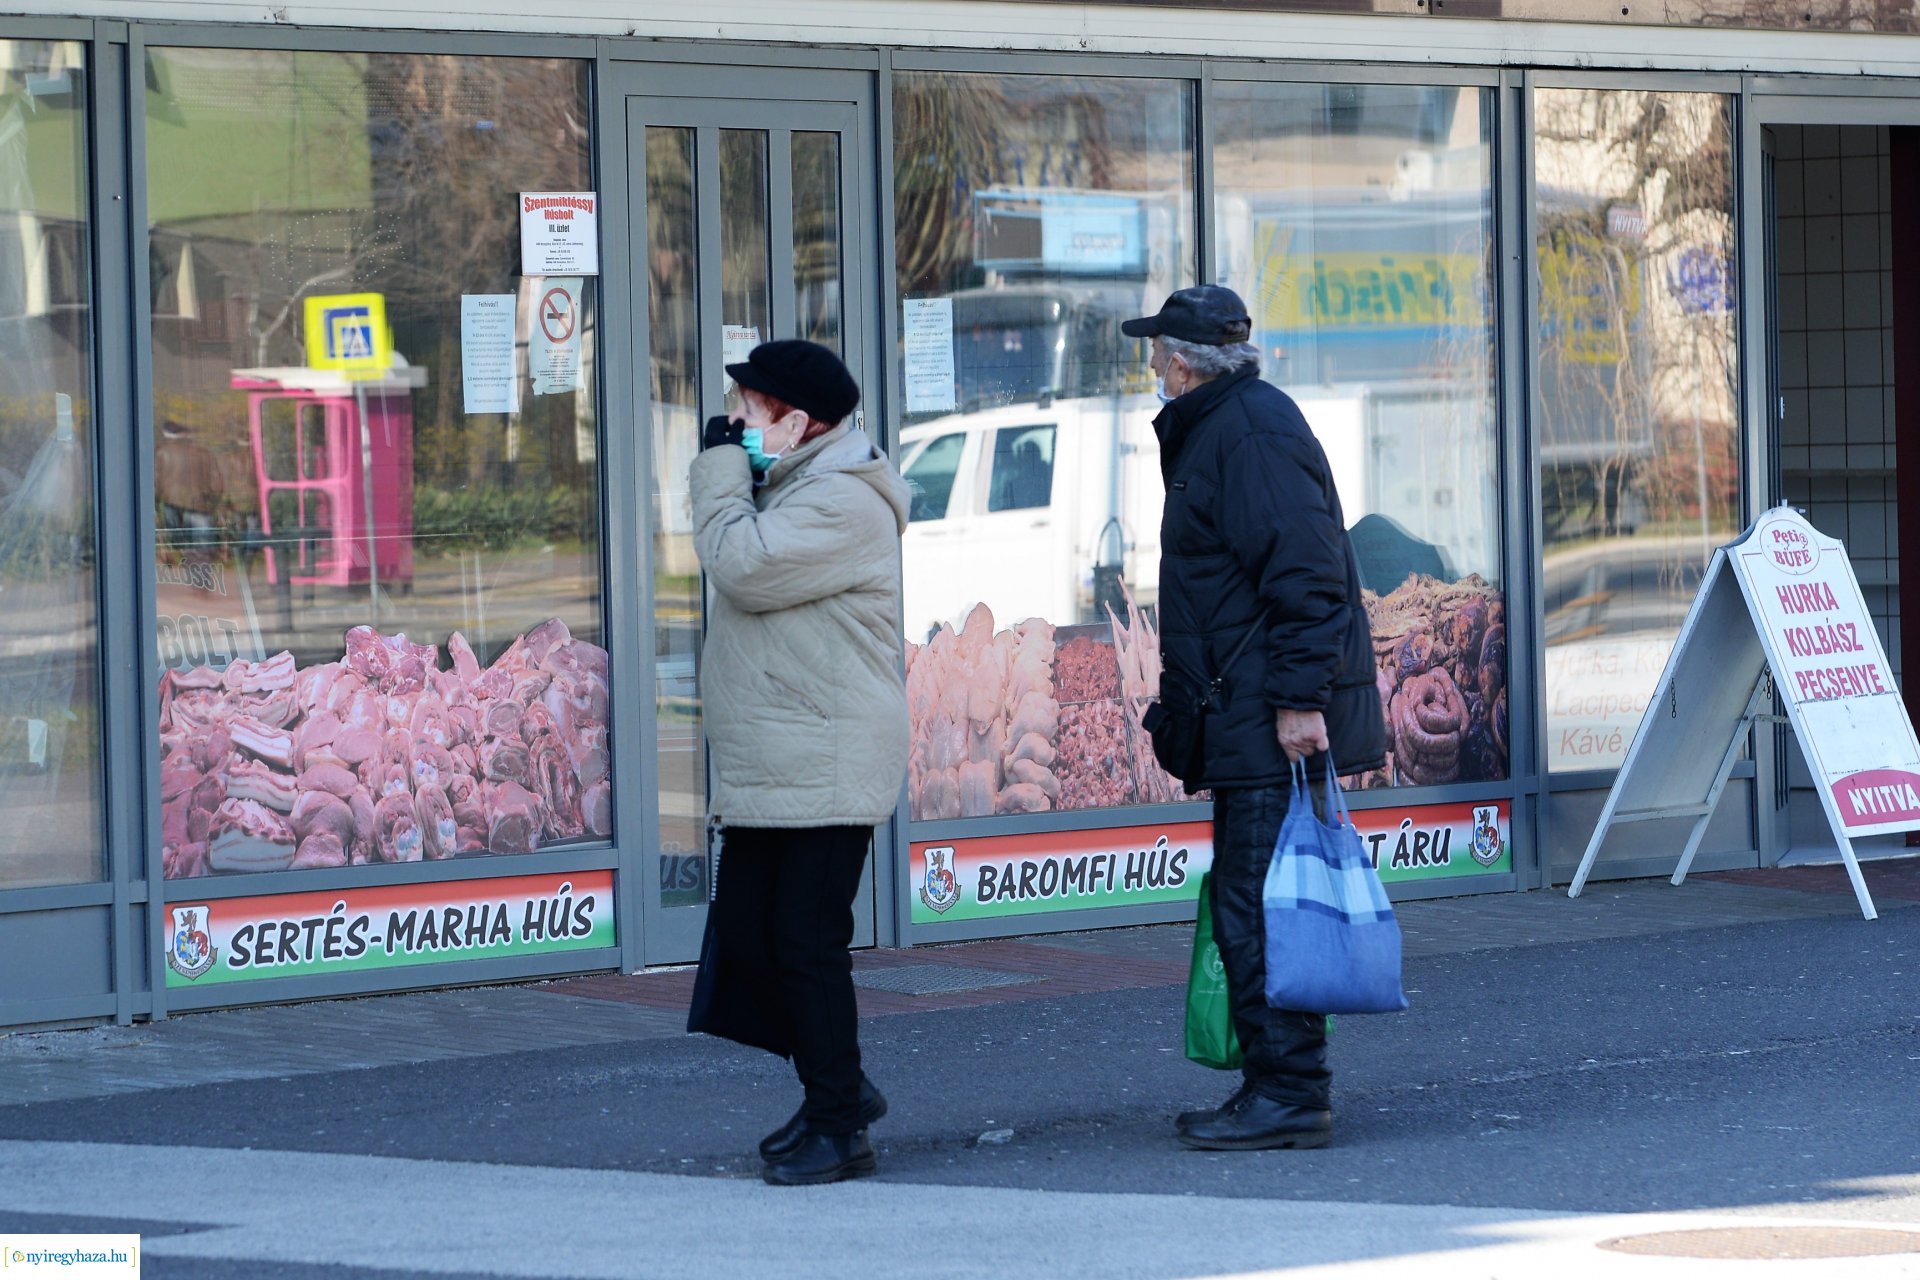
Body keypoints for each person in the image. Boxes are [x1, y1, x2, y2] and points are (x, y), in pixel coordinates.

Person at [1123, 286, 1386, 1151]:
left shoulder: (1252, 432)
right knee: (1251, 899)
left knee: (1261, 903)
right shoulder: (1226, 425)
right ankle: (1275, 1084)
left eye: (1159, 353)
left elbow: (1308, 575)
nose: (1154, 367)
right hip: (1244, 713)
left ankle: (1292, 1090)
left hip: (1271, 717)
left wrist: (1301, 702)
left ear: (1188, 362)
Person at [687, 339, 911, 1186]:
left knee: (806, 944)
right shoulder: (797, 483)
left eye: (750, 409)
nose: (737, 421)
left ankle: (839, 1122)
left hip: (827, 749)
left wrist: (717, 472)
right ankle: (842, 1089)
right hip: (782, 756)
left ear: (799, 421)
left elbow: (742, 568)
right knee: (753, 936)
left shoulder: (844, 501)